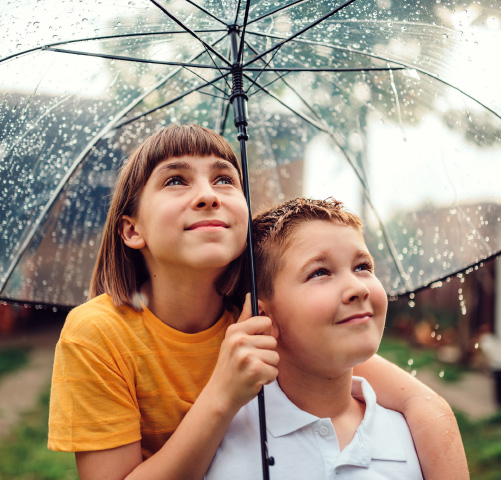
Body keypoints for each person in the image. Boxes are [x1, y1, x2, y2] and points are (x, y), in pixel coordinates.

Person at [48, 125, 468, 480]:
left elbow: (423, 402)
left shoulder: (265, 316)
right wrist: (222, 394)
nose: (208, 195)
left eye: (224, 179)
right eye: (176, 180)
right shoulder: (97, 334)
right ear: (131, 230)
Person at [206, 197, 464, 479]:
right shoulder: (218, 446)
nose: (358, 288)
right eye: (320, 272)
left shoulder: (416, 439)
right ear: (263, 315)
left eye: (363, 267)